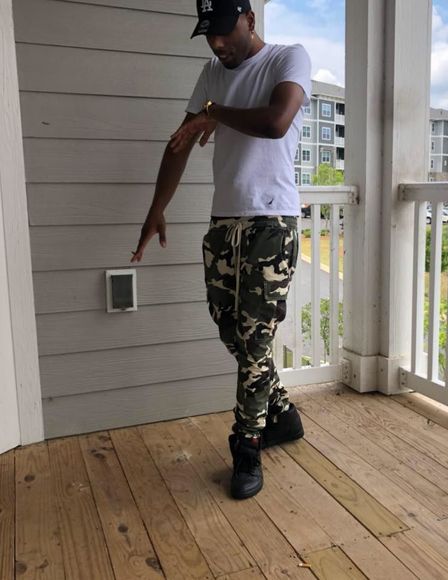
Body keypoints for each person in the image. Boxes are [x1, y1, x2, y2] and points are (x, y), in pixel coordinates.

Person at [130, 0, 311, 500]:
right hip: (223, 222)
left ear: (250, 20)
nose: (217, 43)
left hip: (272, 220)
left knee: (253, 339)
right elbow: (182, 141)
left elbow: (276, 122)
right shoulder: (212, 72)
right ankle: (282, 412)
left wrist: (214, 112)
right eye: (210, 34)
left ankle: (247, 444)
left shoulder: (288, 58)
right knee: (229, 326)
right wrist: (156, 209)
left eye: (226, 32)